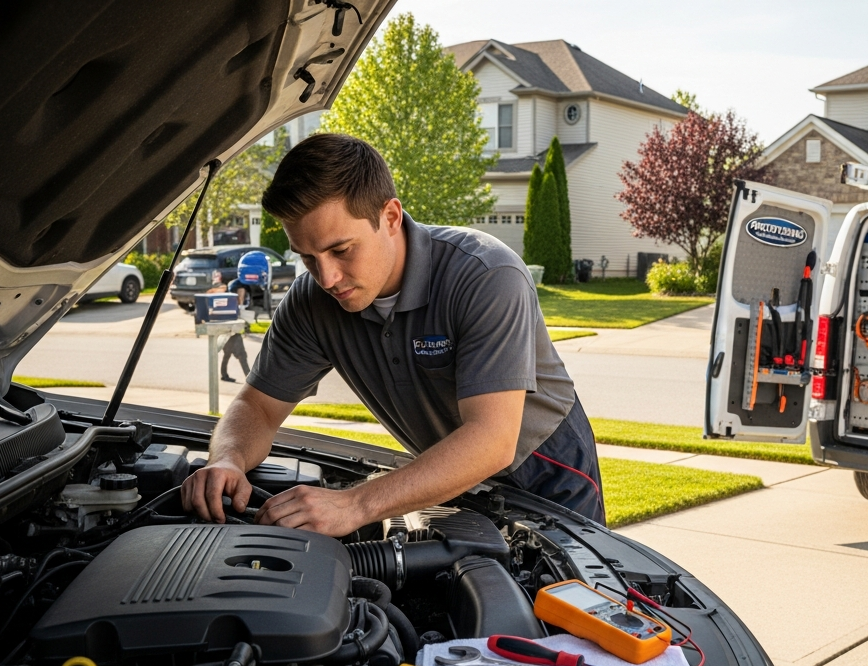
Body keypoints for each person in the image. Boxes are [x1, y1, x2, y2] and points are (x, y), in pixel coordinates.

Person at [181, 134, 603, 535]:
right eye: (308, 257)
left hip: (547, 470)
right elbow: (257, 407)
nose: (327, 277)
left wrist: (353, 505)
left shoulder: (485, 275)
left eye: (341, 250)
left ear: (390, 217)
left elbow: (492, 440)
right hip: (445, 472)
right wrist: (228, 460)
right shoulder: (311, 301)